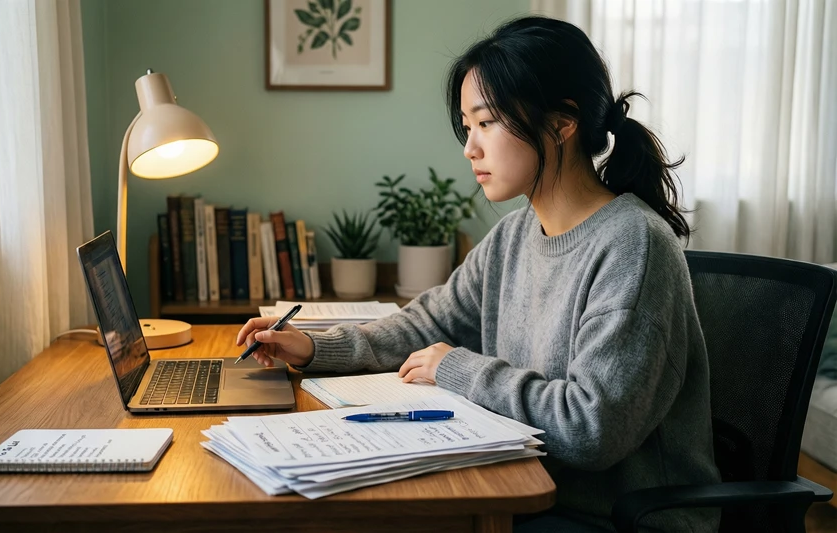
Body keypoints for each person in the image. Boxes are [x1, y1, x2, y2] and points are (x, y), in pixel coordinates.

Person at [236, 16, 720, 532]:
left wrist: (458, 369)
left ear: (561, 122)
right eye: (467, 128)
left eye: (486, 122)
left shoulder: (634, 245)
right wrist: (315, 348)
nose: (470, 148)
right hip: (528, 491)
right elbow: (428, 324)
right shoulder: (515, 236)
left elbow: (591, 428)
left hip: (615, 518)